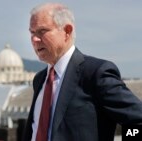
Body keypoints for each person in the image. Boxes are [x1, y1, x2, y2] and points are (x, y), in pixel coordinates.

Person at [23, 3, 142, 141]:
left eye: (42, 31)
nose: (34, 39)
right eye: (32, 32)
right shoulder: (40, 79)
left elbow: (137, 121)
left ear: (67, 31)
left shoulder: (95, 74)